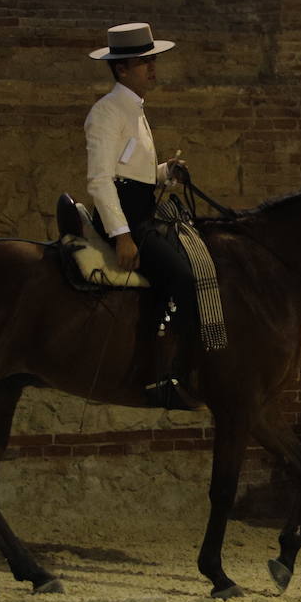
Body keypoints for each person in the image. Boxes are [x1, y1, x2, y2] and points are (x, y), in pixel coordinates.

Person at [85, 22, 197, 405]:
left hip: (141, 212)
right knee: (182, 277)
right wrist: (122, 235)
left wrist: (165, 172)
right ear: (121, 69)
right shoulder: (107, 112)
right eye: (144, 62)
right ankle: (158, 374)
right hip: (127, 220)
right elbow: (101, 181)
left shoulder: (134, 109)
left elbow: (133, 170)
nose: (152, 69)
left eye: (152, 61)